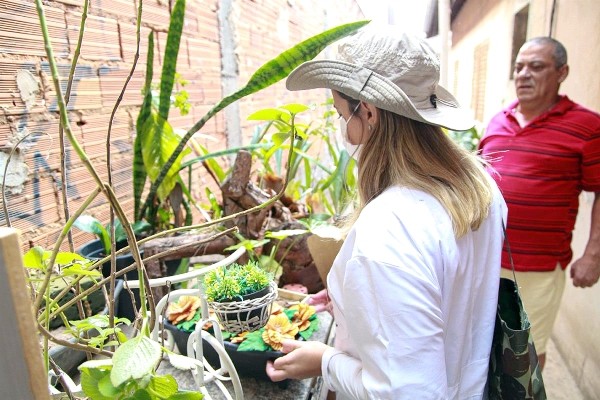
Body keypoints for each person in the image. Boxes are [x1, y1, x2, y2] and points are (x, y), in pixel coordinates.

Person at [264, 26, 507, 399]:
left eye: (340, 113)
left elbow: (409, 393)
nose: (342, 129)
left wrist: (325, 360)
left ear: (369, 113)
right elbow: (450, 291)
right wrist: (355, 300)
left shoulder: (389, 230)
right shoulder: (479, 187)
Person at [478, 37, 600, 369]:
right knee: (480, 345)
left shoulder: (587, 127)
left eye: (536, 66)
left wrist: (593, 254)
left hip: (538, 267)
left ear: (562, 72)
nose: (524, 75)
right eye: (519, 67)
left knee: (523, 353)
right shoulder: (496, 122)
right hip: (485, 259)